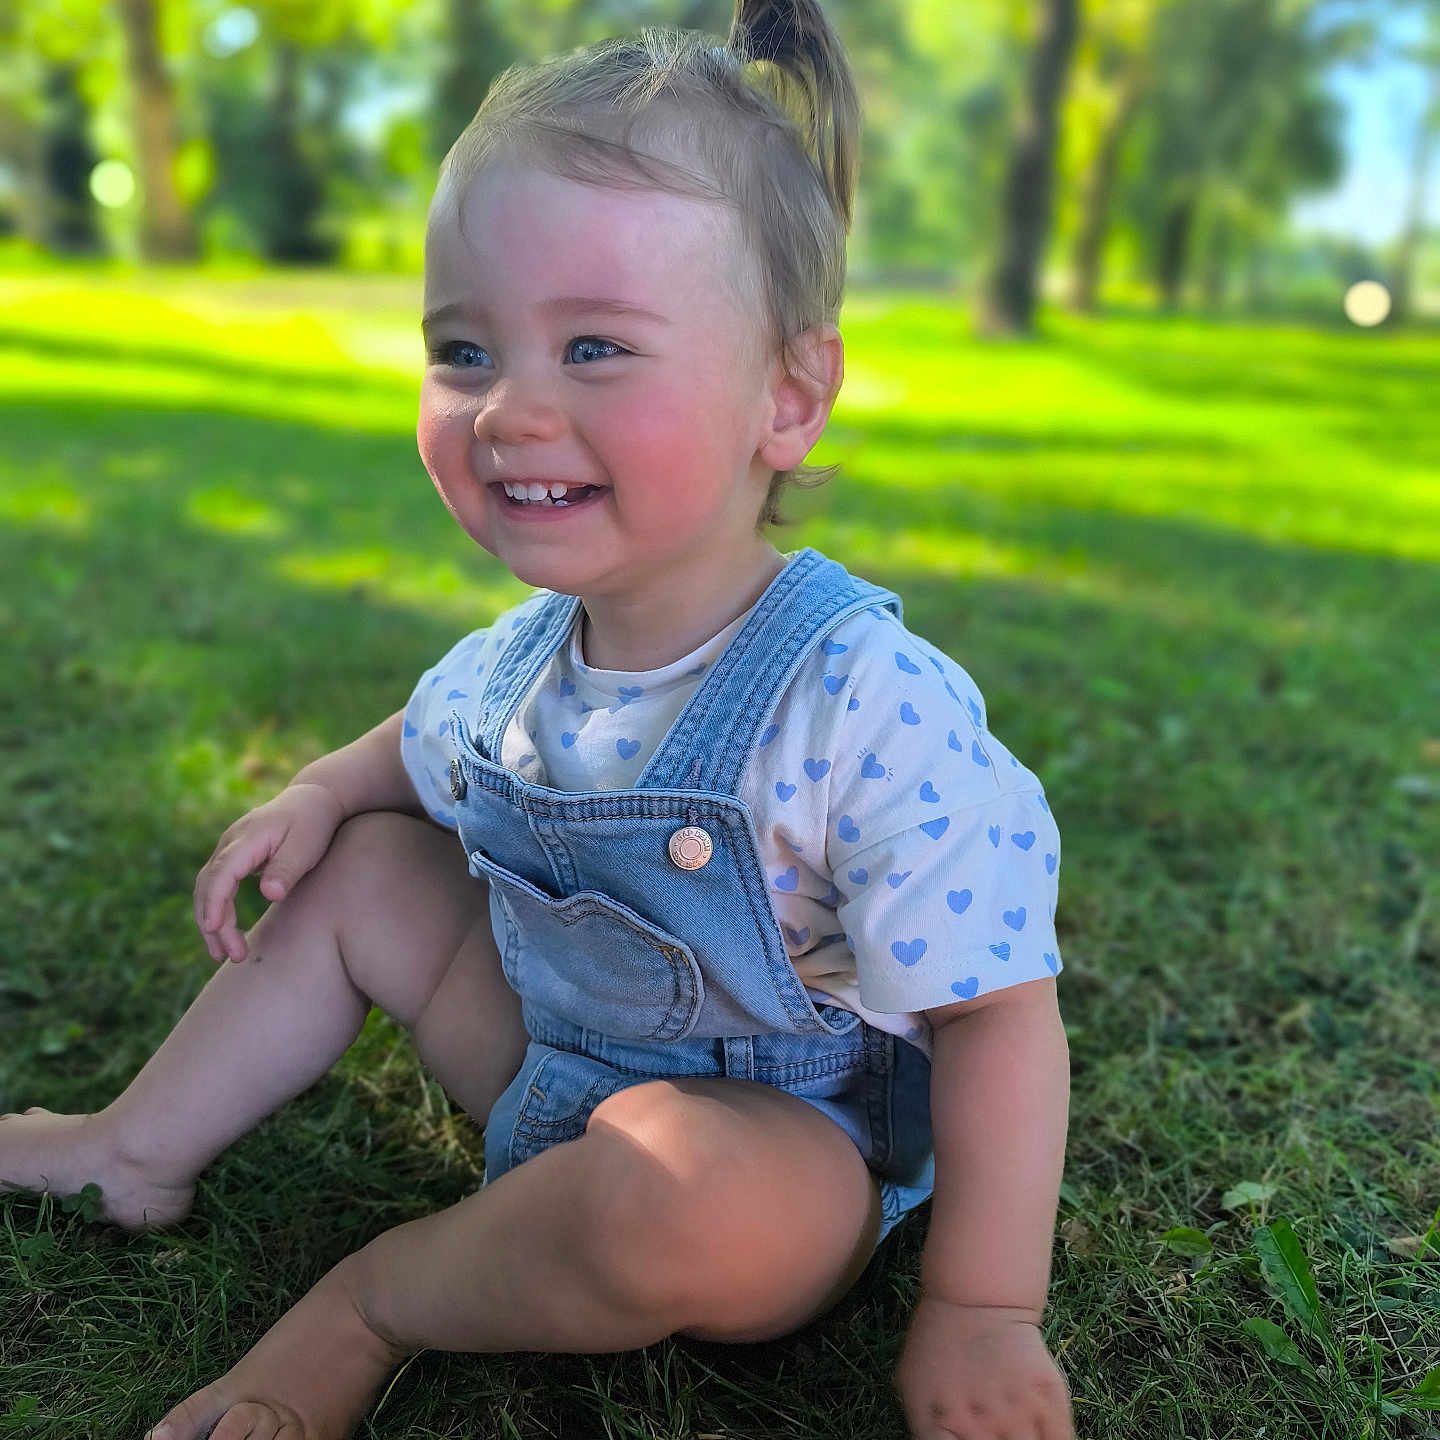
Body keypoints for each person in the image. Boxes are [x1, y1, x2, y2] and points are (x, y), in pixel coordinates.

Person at [0, 3, 1075, 1436]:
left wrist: (981, 1310)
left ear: (789, 395)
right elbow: (415, 742)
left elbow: (998, 1015)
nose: (509, 407)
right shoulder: (517, 662)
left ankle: (373, 1300)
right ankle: (134, 1147)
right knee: (369, 865)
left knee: (684, 1205)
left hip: (778, 1153)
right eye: (464, 349)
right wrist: (321, 792)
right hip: (547, 1062)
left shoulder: (863, 702)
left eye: (593, 350)